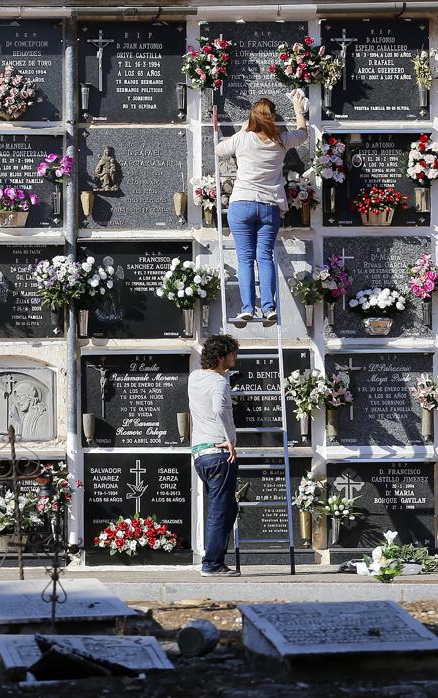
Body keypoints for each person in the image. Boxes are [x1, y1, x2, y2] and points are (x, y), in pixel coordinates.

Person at [214, 95, 309, 326]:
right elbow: (303, 134)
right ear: (274, 118)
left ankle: (247, 308)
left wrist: (248, 125)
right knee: (264, 257)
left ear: (252, 118)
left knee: (245, 258)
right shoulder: (281, 140)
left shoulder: (243, 138)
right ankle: (269, 308)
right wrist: (298, 110)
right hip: (269, 207)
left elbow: (218, 150)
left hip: (242, 204)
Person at [188, 334, 240, 577]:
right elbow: (219, 408)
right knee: (220, 510)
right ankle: (211, 564)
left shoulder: (195, 378)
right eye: (232, 354)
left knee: (228, 508)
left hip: (200, 454)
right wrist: (229, 439)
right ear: (221, 357)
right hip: (219, 453)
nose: (235, 358)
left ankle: (217, 559)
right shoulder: (219, 383)